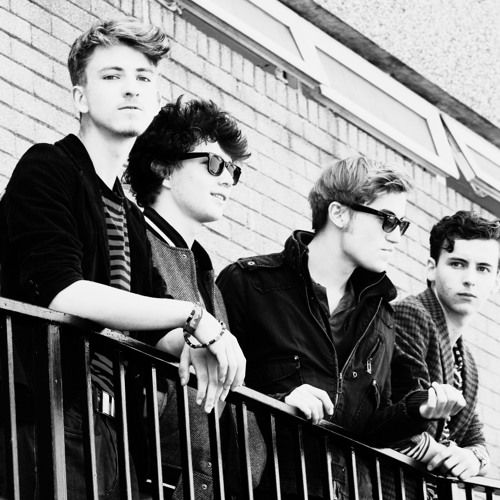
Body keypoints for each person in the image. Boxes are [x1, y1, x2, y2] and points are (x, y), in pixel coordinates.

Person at [0, 18, 244, 500]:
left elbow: (154, 323)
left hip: (108, 433)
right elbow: (62, 291)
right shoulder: (49, 166)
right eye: (111, 76)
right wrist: (197, 319)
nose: (131, 88)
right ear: (80, 97)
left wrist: (196, 345)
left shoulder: (129, 215)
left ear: (155, 100)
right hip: (43, 414)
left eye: (143, 78)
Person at [217, 156, 465, 500]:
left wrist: (417, 410)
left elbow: (369, 430)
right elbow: (209, 389)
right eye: (387, 220)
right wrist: (281, 403)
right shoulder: (249, 284)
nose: (396, 237)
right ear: (339, 213)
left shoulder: (381, 317)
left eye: (401, 225)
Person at [124, 96, 265, 499]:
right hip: (146, 475)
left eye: (233, 171)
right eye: (215, 164)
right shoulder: (131, 241)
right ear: (165, 170)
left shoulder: (208, 279)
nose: (227, 179)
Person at [391, 211, 498, 481]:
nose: (470, 279)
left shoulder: (466, 360)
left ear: (495, 282)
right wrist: (448, 455)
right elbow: (399, 415)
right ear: (431, 268)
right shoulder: (411, 315)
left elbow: (476, 440)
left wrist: (473, 458)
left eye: (483, 268)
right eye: (458, 264)